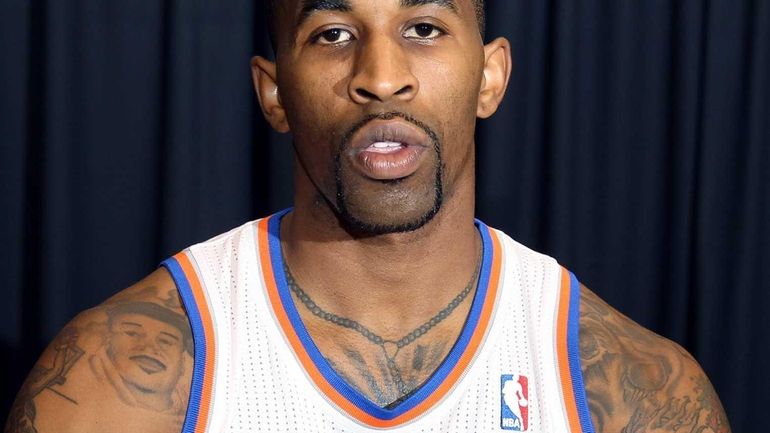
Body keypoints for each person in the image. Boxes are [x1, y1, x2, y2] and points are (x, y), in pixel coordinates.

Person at [6, 0, 730, 432]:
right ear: (273, 93)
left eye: (423, 26)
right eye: (332, 34)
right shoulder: (116, 382)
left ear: (492, 76)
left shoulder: (635, 393)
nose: (382, 78)